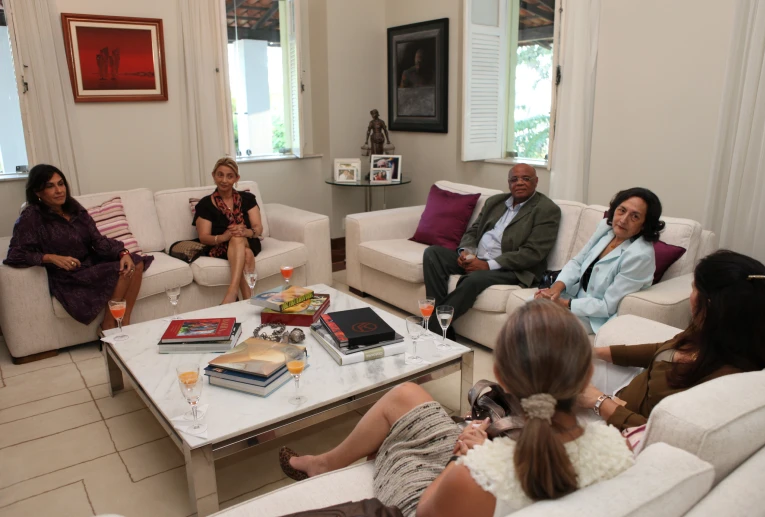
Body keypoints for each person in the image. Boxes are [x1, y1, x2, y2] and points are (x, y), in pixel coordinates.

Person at [279, 301, 633, 517]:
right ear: (588, 374)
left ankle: (374, 452)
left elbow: (426, 511)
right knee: (406, 393)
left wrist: (463, 458)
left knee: (403, 424)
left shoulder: (481, 474)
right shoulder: (617, 448)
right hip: (492, 461)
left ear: (499, 375)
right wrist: (483, 451)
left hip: (431, 500)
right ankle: (325, 462)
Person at [579, 250, 765, 431]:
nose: (690, 295)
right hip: (628, 391)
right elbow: (667, 349)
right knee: (557, 360)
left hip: (620, 421)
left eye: (694, 288)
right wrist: (597, 352)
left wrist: (599, 402)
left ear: (710, 305)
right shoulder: (717, 331)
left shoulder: (720, 382)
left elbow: (657, 433)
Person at [3, 164, 152, 334]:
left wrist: (122, 252)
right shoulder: (31, 217)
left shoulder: (74, 208)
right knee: (121, 271)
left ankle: (125, 322)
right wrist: (50, 257)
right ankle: (107, 327)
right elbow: (15, 254)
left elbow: (98, 240)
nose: (59, 190)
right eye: (50, 186)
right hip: (68, 275)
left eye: (61, 184)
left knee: (135, 263)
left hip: (90, 262)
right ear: (37, 192)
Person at [424, 164, 560, 339]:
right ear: (508, 183)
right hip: (478, 258)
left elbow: (532, 252)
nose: (519, 183)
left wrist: (487, 265)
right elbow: (473, 231)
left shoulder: (546, 210)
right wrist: (466, 252)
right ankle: (443, 330)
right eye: (514, 179)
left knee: (473, 279)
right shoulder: (495, 202)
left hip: (513, 269)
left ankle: (432, 326)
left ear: (536, 182)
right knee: (433, 254)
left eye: (526, 179)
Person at [535, 187, 663, 334]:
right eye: (622, 210)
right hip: (573, 296)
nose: (623, 220)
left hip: (595, 316)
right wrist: (554, 290)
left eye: (635, 216)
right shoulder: (606, 229)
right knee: (528, 310)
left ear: (645, 225)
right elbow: (577, 262)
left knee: (541, 324)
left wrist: (563, 303)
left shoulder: (640, 256)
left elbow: (607, 306)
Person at [193, 157, 264, 304]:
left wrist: (247, 232)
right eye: (220, 174)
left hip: (249, 240)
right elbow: (203, 237)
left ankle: (231, 294)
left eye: (229, 176)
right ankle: (248, 303)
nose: (224, 180)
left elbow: (258, 228)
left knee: (239, 239)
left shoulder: (248, 198)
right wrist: (224, 236)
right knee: (246, 253)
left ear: (236, 178)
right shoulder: (205, 204)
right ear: (213, 175)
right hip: (221, 246)